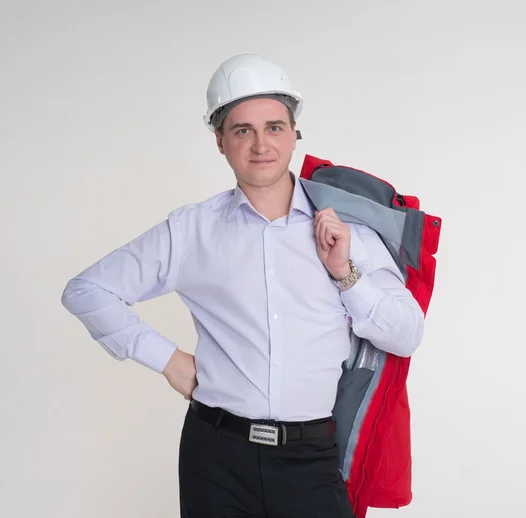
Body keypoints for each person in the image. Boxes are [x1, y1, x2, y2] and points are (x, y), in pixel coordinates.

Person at [61, 53, 425, 518]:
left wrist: (345, 274)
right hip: (215, 457)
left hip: (310, 459)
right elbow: (88, 289)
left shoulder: (350, 231)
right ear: (220, 141)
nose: (260, 145)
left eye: (274, 127)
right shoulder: (191, 231)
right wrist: (167, 360)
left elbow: (406, 335)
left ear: (295, 134)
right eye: (242, 130)